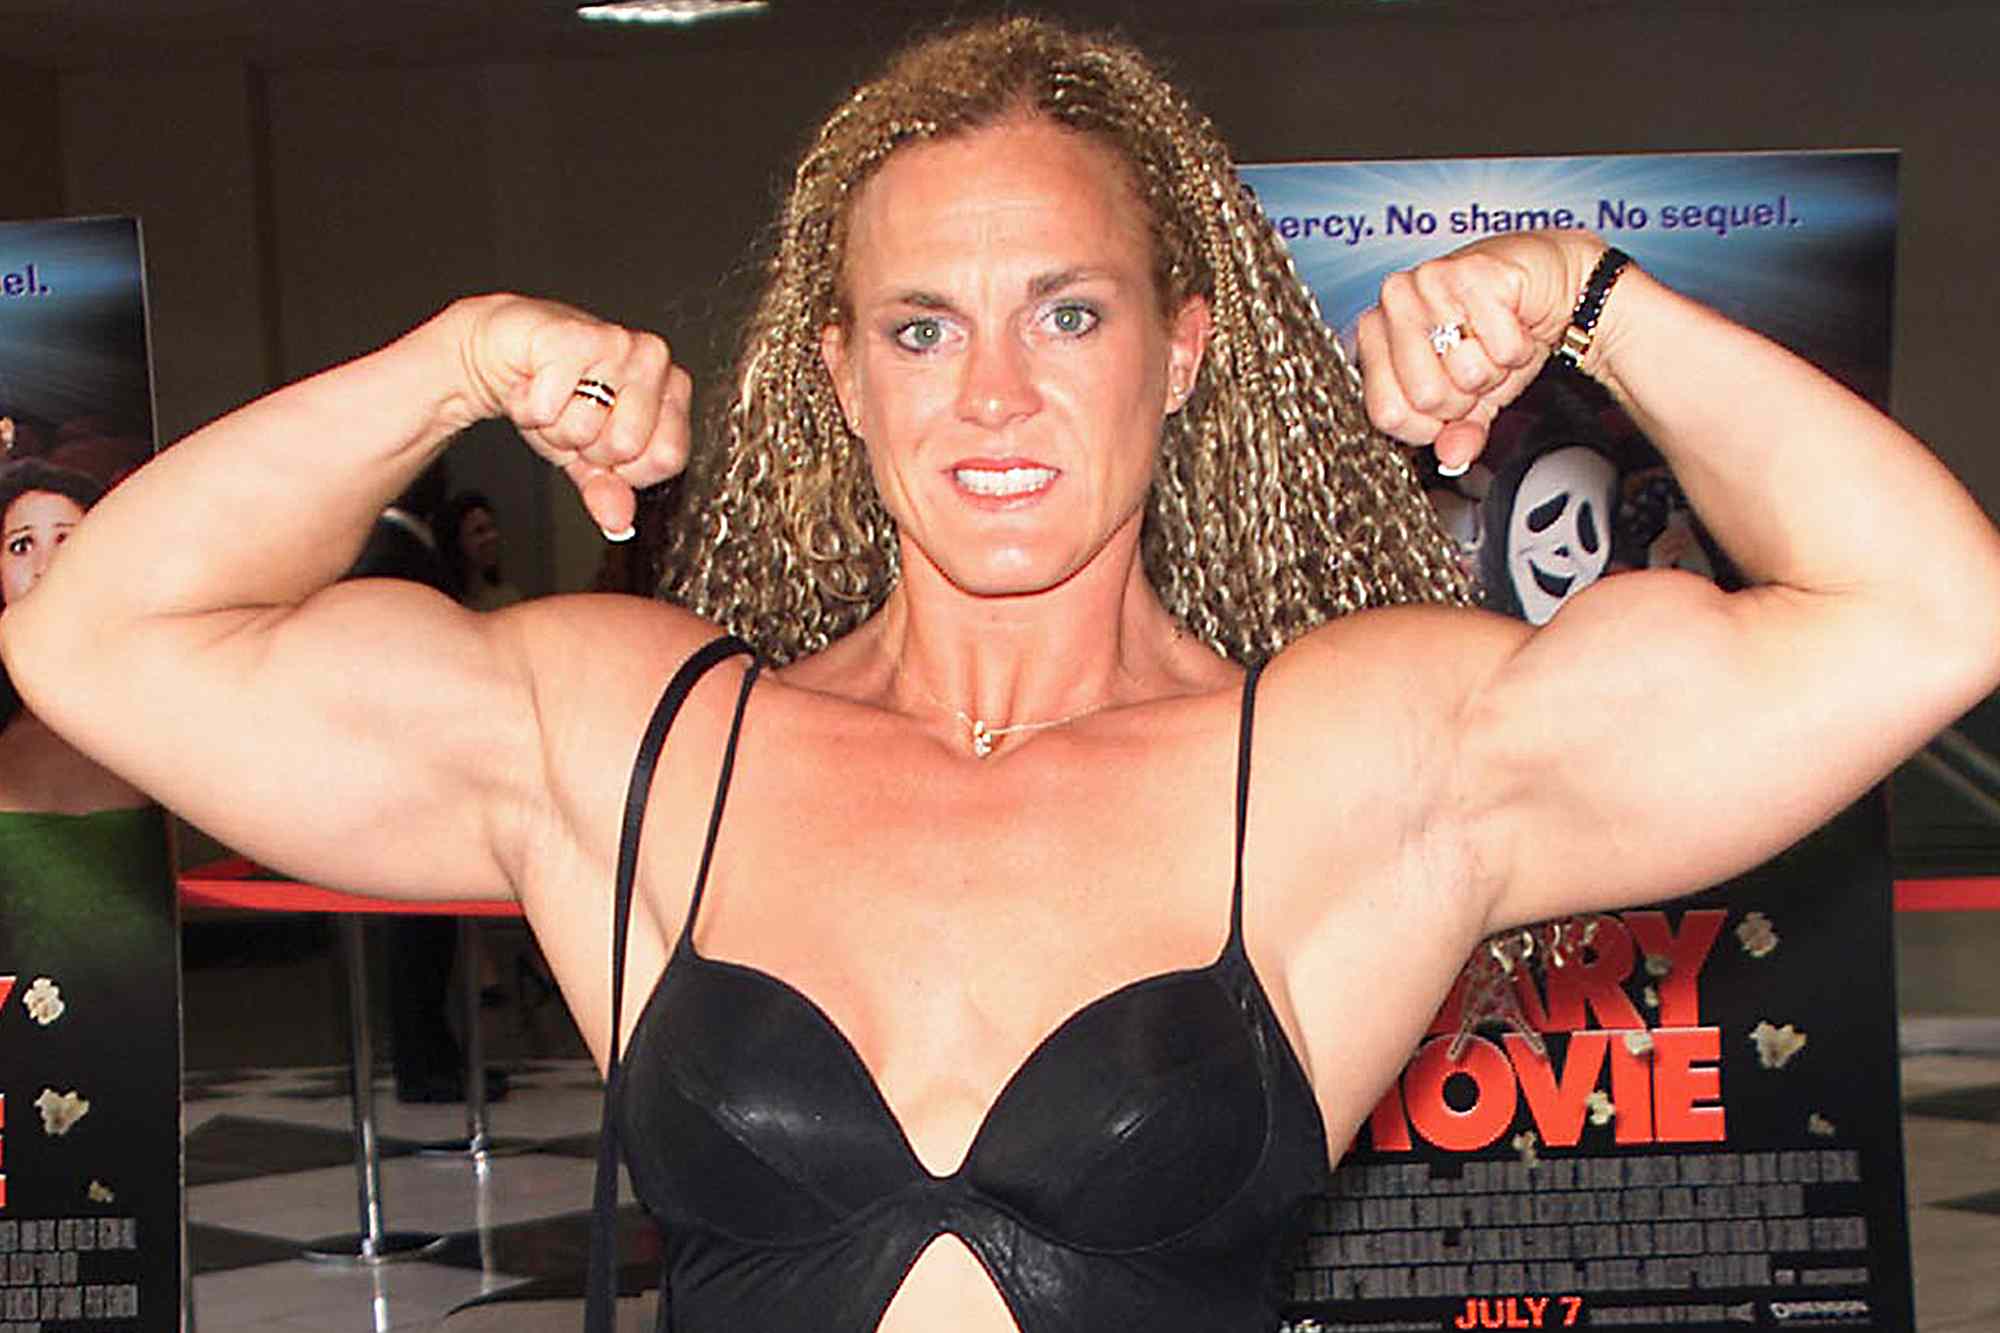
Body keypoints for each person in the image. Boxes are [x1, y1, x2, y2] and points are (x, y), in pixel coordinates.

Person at [6, 17, 2000, 1333]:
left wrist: (1593, 296)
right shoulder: (637, 739)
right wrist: (442, 366)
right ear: (842, 375)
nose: (993, 398)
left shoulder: (1348, 756)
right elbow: (94, 637)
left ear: (1182, 348)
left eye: (1065, 313)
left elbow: (1923, 611)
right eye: (921, 327)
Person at [438, 490, 525, 612]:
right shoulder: (442, 603)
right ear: (456, 541)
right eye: (479, 531)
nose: (492, 536)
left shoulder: (507, 598)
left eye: (492, 527)